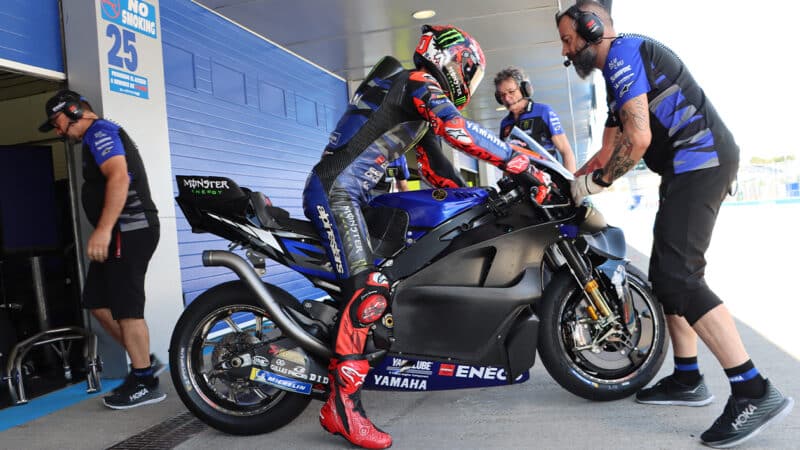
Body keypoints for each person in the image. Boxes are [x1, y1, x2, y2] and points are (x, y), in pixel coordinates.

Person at [556, 2, 793, 447]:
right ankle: (687, 379)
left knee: (679, 277)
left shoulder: (625, 55)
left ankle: (752, 389)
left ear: (591, 29)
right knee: (668, 275)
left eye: (569, 40)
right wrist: (570, 184)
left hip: (700, 161)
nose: (566, 53)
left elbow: (637, 140)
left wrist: (598, 183)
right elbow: (607, 150)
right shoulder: (617, 76)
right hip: (686, 167)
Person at [303, 24, 549, 449]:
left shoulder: (414, 103)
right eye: (466, 69)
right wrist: (519, 163)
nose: (466, 78)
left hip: (355, 196)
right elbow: (458, 131)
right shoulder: (418, 83)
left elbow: (438, 168)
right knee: (369, 292)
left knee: (392, 276)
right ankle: (342, 406)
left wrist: (488, 197)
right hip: (337, 192)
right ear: (450, 59)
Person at [38, 90, 166, 410]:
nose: (58, 131)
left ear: (74, 111)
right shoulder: (95, 138)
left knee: (126, 307)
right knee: (95, 302)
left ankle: (144, 381)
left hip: (128, 229)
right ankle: (144, 362)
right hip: (120, 232)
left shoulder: (101, 131)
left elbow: (119, 177)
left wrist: (104, 230)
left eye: (58, 123)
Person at [494, 66, 577, 172]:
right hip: (521, 186)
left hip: (549, 183)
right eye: (502, 95)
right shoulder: (505, 124)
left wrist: (570, 185)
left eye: (511, 92)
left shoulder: (543, 112)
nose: (506, 98)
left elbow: (566, 151)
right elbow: (507, 161)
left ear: (524, 89)